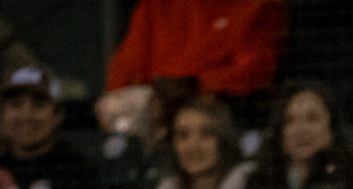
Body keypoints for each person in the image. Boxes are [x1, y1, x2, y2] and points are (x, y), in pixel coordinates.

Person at [104, 0, 282, 120]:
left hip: (222, 111)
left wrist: (194, 85)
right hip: (158, 110)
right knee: (114, 106)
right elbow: (125, 71)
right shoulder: (157, 5)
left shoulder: (258, 5)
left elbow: (255, 71)